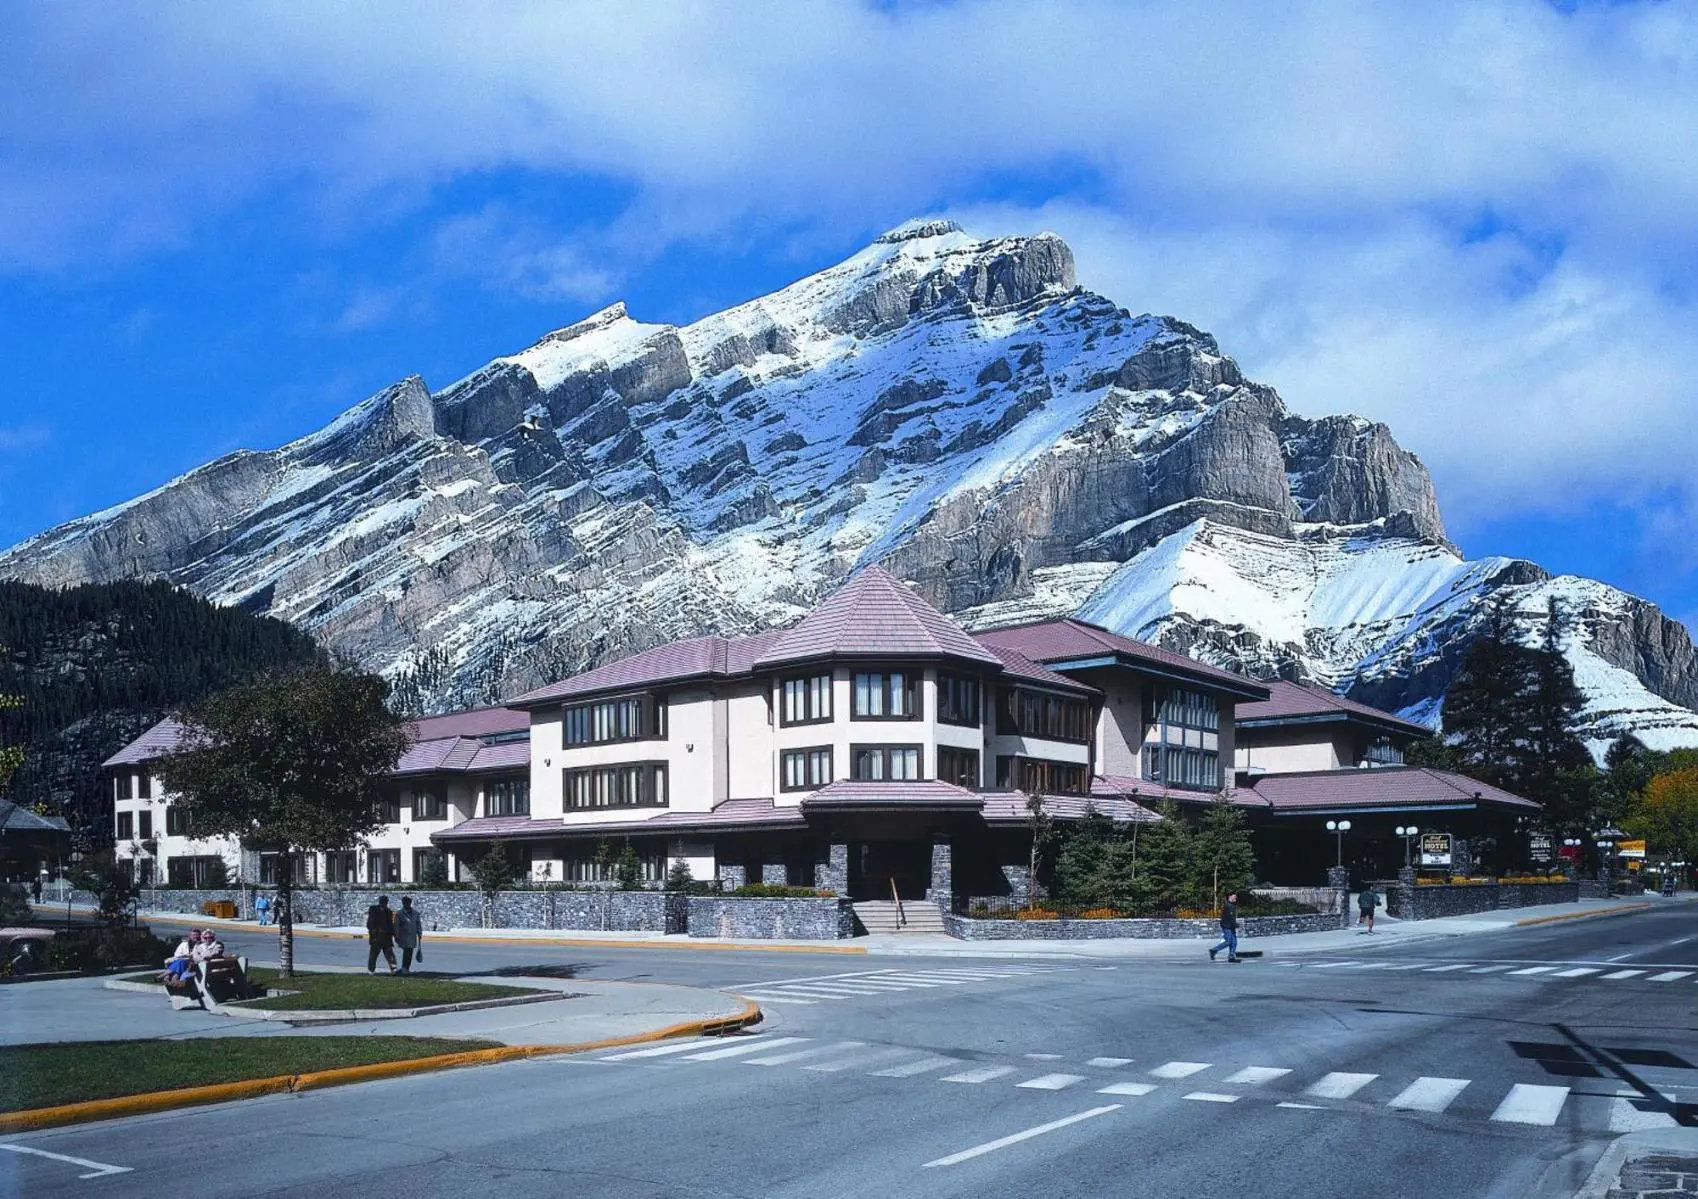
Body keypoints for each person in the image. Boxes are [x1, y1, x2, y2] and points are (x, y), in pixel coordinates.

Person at [366, 894, 397, 974]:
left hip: (386, 937)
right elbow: (370, 922)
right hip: (376, 936)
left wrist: (393, 934)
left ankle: (393, 970)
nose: (384, 903)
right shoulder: (374, 909)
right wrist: (373, 931)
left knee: (390, 955)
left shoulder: (389, 912)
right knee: (373, 955)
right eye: (382, 901)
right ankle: (371, 970)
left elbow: (390, 924)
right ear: (380, 901)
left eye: (385, 901)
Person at [394, 896, 424, 975]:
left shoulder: (415, 913)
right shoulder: (399, 914)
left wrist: (420, 933)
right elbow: (396, 925)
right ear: (403, 903)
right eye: (405, 902)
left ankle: (406, 968)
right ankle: (405, 968)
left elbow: (418, 924)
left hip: (412, 936)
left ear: (410, 903)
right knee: (407, 952)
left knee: (409, 952)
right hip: (403, 936)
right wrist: (396, 936)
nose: (406, 903)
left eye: (408, 902)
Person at [1209, 893, 1241, 962]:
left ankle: (1231, 956)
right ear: (1229, 896)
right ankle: (1214, 950)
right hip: (1227, 926)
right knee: (1228, 941)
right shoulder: (1228, 906)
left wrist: (1234, 925)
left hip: (1230, 926)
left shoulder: (1231, 905)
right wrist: (1237, 925)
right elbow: (1230, 918)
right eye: (1234, 896)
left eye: (1236, 896)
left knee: (1234, 942)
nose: (1236, 897)